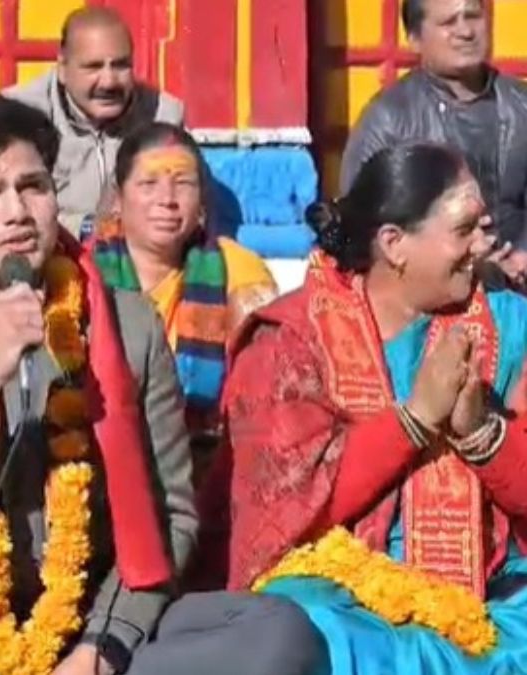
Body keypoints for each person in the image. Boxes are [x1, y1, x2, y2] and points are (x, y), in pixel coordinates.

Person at [0, 93, 325, 675]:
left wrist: (102, 646)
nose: (17, 212)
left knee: (276, 634)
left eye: (33, 186)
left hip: (81, 625)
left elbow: (169, 515)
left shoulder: (125, 324)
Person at [223, 142, 527, 673]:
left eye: (481, 227)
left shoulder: (511, 324)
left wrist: (481, 433)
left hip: (496, 596)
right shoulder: (291, 340)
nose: (481, 246)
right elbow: (287, 512)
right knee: (301, 629)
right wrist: (414, 420)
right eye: (463, 230)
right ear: (394, 244)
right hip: (337, 592)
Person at [90, 122, 276, 481]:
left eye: (184, 184)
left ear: (202, 203)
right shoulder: (86, 274)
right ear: (118, 199)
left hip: (206, 469)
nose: (167, 200)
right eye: (148, 184)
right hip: (102, 463)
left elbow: (259, 399)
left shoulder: (239, 273)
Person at [341, 0, 527, 282]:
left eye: (472, 16)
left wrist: (522, 254)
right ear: (415, 39)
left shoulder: (521, 104)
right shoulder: (389, 120)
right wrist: (464, 261)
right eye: (448, 22)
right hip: (432, 292)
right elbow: (359, 228)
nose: (466, 31)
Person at [5, 7, 184, 236]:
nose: (109, 82)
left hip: (136, 249)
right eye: (93, 67)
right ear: (62, 69)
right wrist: (88, 227)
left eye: (120, 65)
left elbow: (187, 205)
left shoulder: (163, 115)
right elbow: (12, 211)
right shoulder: (20, 115)